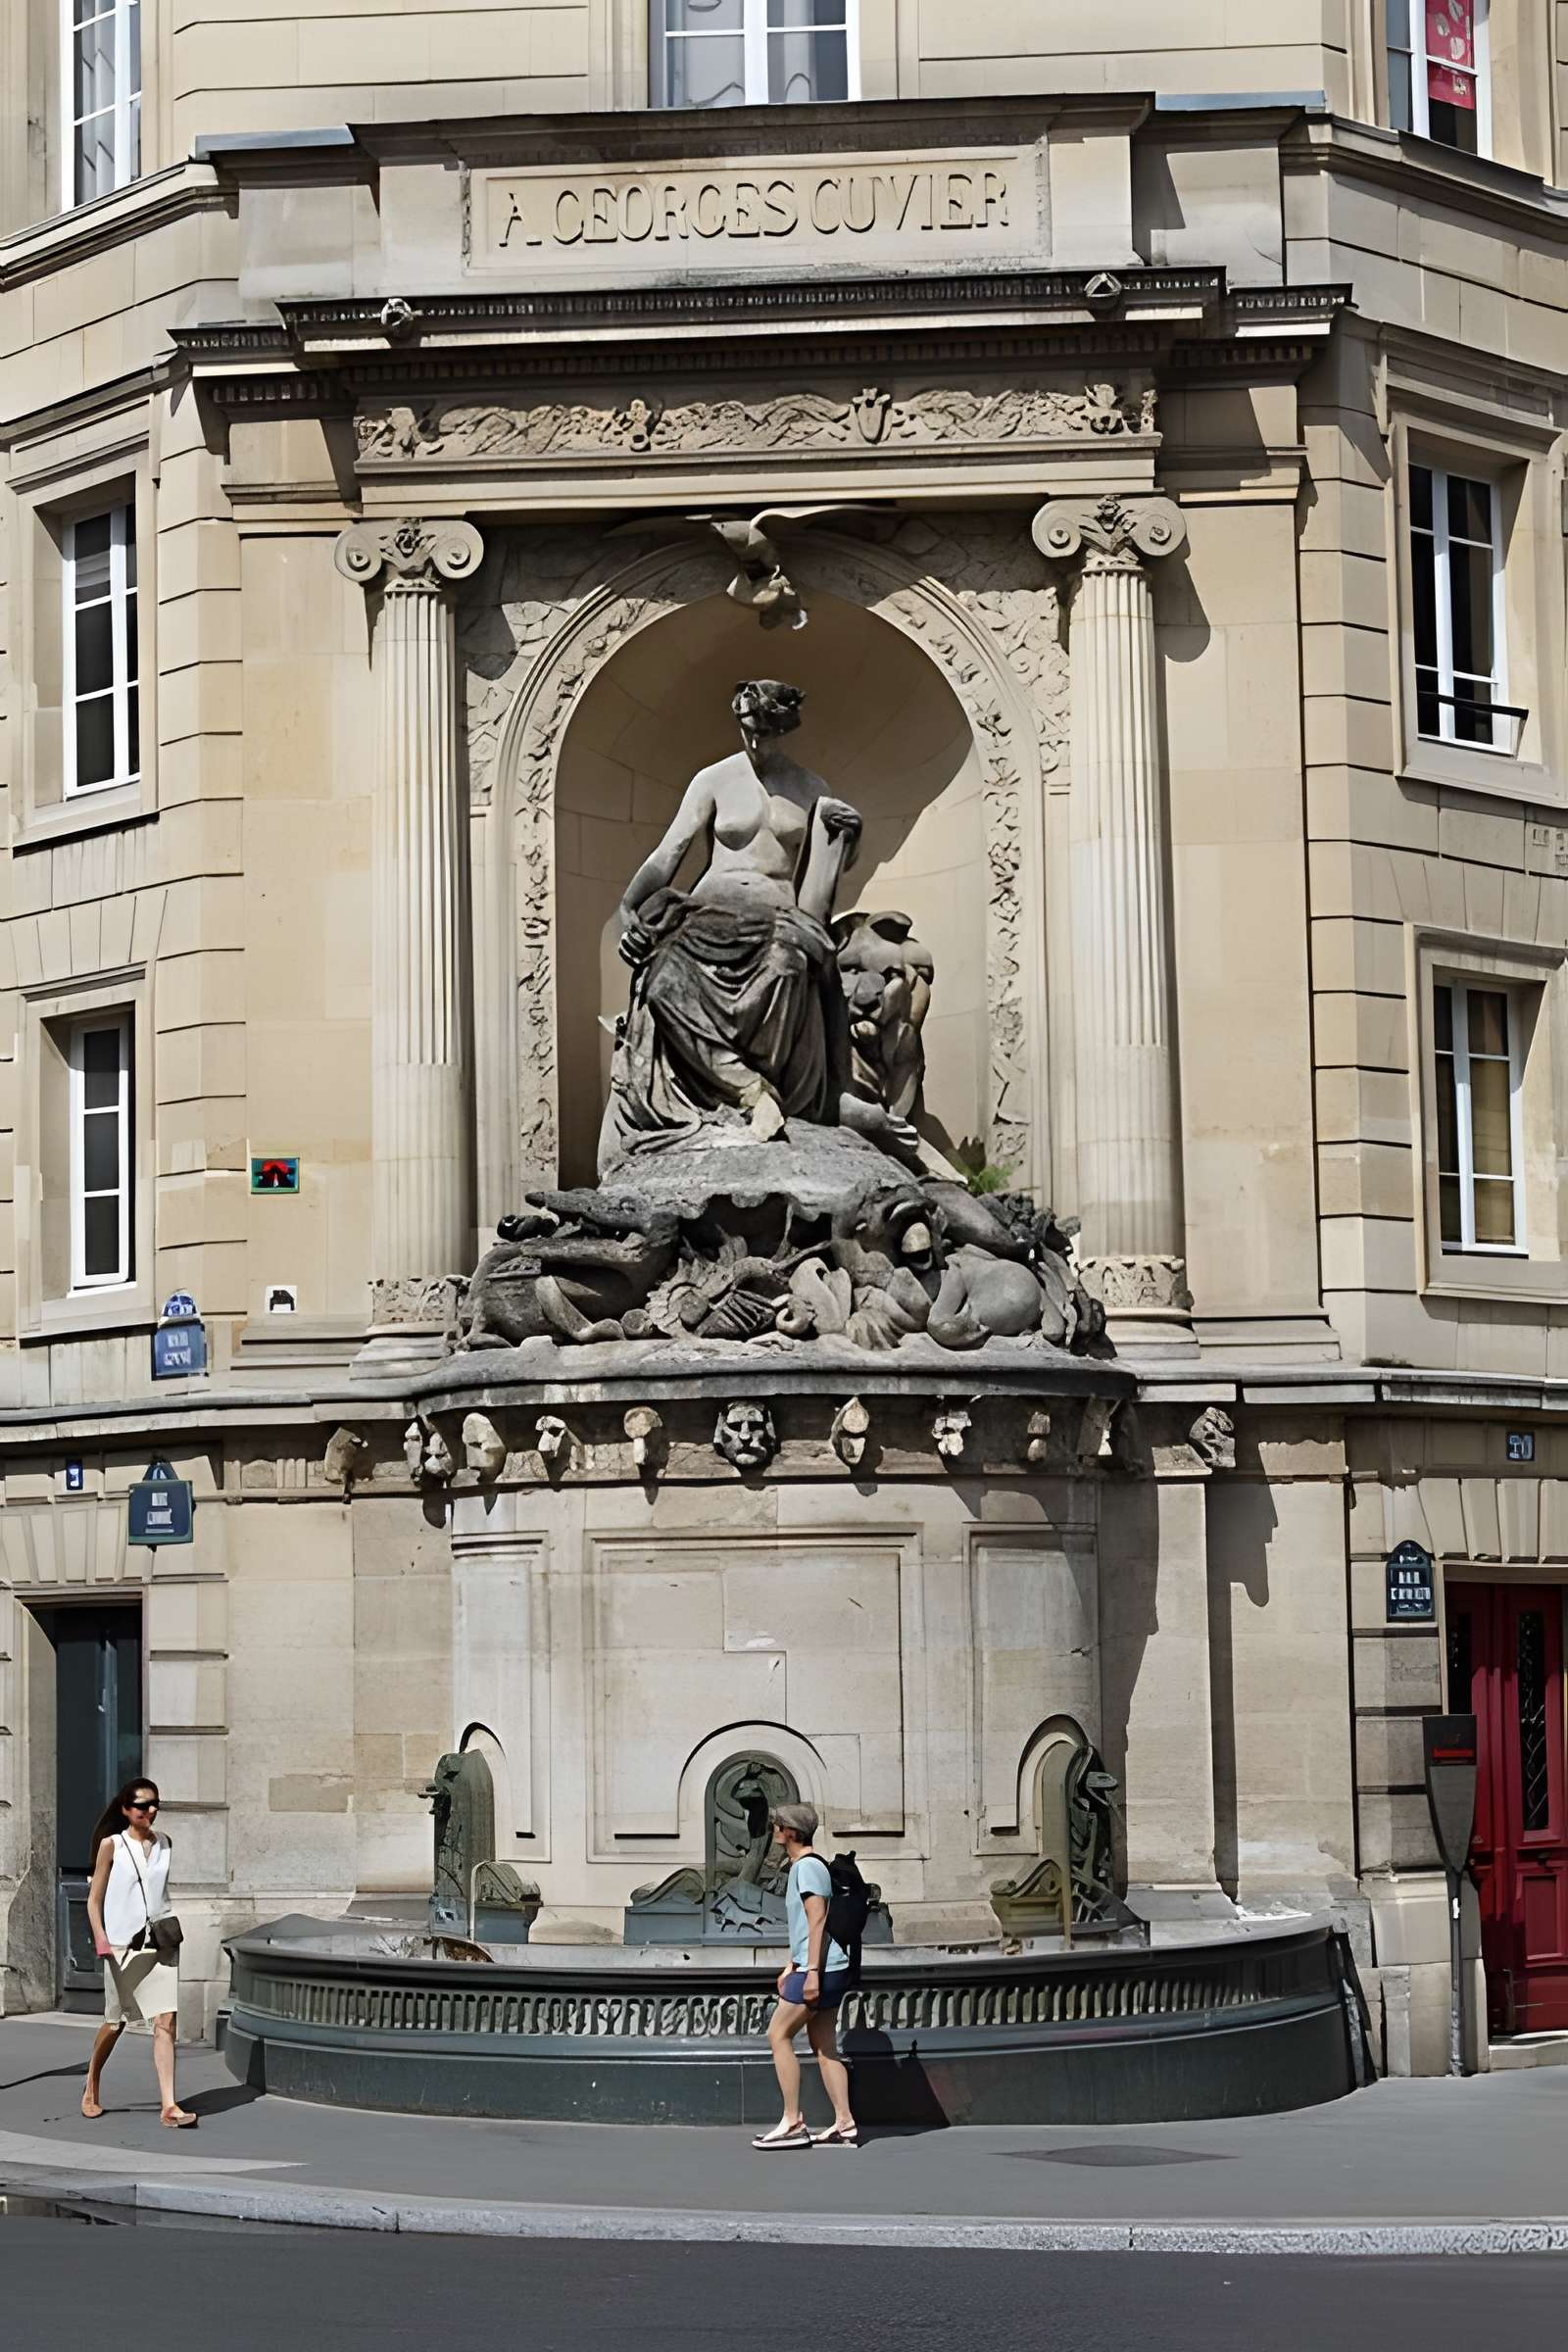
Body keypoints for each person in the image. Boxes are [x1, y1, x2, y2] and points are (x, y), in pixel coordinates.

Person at [81, 1778, 195, 2128]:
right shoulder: (111, 1845)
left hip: (160, 1943)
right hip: (120, 1946)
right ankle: (92, 2082)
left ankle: (169, 2106)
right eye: (144, 1805)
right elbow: (94, 1898)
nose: (151, 1811)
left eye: (155, 1804)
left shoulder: (166, 1844)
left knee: (166, 2021)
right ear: (126, 1810)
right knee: (116, 2022)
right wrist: (101, 1938)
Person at [752, 1802, 858, 2150]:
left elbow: (817, 1920)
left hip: (822, 1969)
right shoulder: (804, 1866)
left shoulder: (808, 1868)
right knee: (825, 2046)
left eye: (777, 1826)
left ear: (791, 1833)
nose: (774, 1831)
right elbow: (804, 1927)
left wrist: (809, 1971)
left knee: (778, 2034)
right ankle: (844, 2123)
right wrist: (792, 1964)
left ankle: (793, 2121)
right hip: (826, 1966)